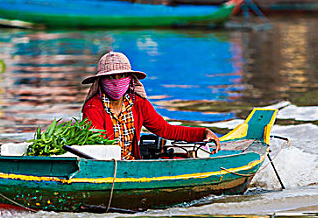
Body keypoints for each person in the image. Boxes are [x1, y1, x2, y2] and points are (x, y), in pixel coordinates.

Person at [82, 51, 221, 160]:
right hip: (110, 168)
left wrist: (202, 133)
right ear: (100, 81)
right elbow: (98, 148)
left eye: (122, 76)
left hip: (132, 164)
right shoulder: (93, 108)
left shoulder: (138, 103)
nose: (117, 82)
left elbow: (166, 130)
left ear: (130, 79)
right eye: (111, 77)